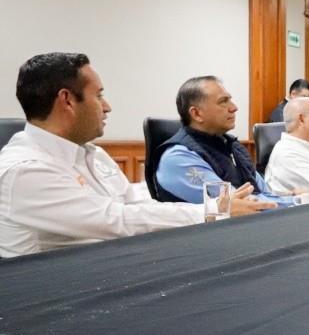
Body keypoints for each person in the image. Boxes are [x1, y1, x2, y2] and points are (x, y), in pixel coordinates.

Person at [0, 53, 269, 258]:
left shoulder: (94, 154)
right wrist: (214, 210)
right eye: (99, 96)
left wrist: (214, 210)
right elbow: (116, 221)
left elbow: (137, 207)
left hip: (112, 270)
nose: (107, 107)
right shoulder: (24, 170)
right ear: (67, 100)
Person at [154, 76, 294, 207]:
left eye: (230, 100)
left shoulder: (232, 146)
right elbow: (241, 206)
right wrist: (295, 203)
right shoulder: (178, 159)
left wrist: (298, 199)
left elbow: (263, 193)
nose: (234, 108)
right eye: (223, 101)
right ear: (197, 114)